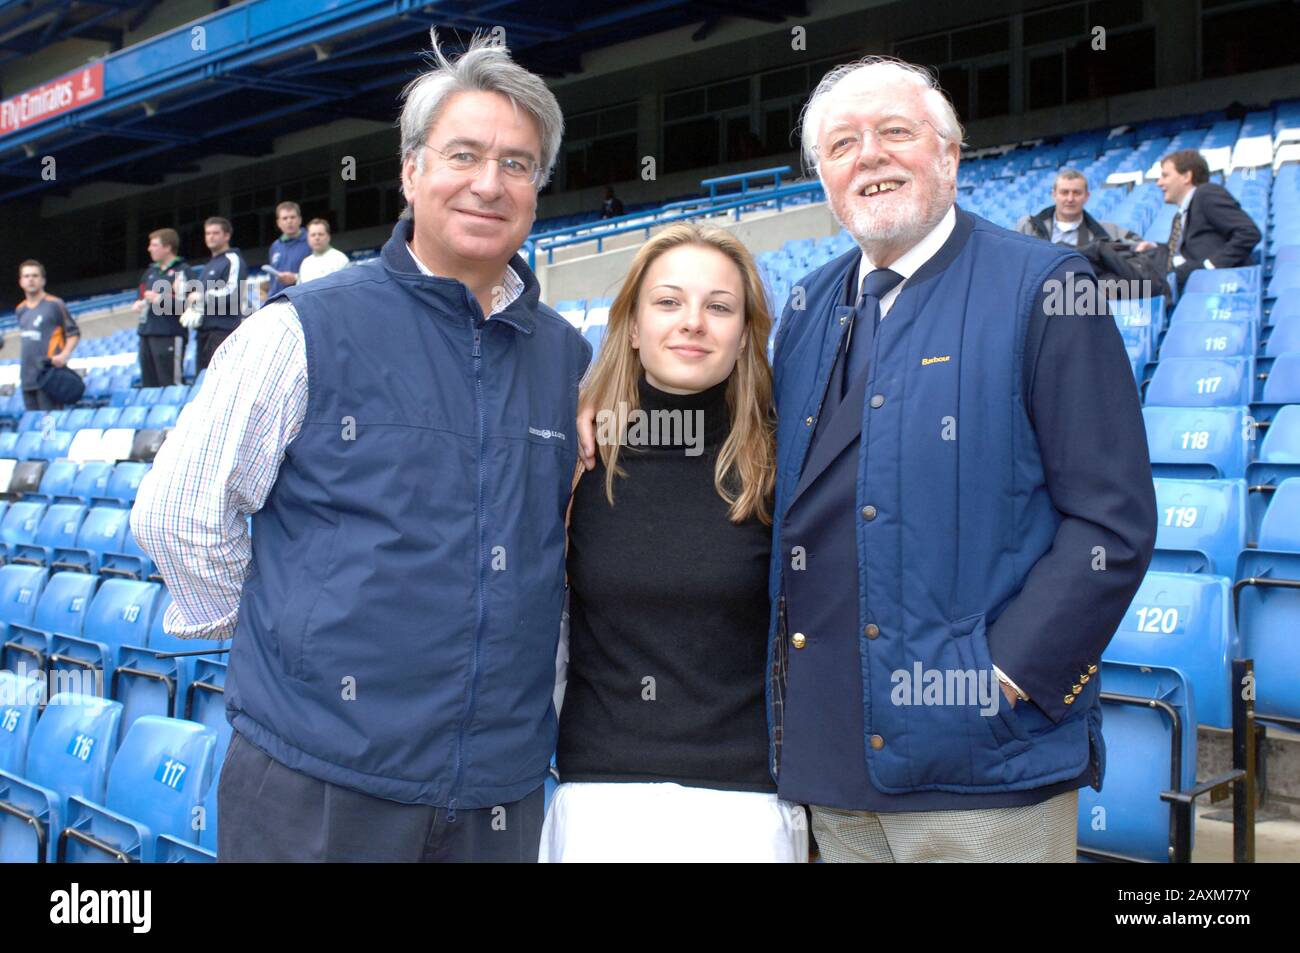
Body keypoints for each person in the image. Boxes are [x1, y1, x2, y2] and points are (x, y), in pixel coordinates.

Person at [584, 57, 1156, 862]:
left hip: (980, 768)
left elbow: (1114, 519)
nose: (871, 156)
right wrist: (601, 407)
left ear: (950, 155)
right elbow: (732, 426)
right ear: (823, 178)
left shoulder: (1045, 286)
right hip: (832, 765)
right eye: (844, 144)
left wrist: (1003, 677)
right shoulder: (812, 304)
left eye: (895, 132)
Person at [131, 31, 588, 863]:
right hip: (319, 786)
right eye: (464, 155)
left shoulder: (568, 356)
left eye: (518, 164)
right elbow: (178, 513)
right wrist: (295, 643)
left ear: (538, 187)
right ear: (411, 170)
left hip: (500, 791)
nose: (490, 183)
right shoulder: (302, 328)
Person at [542, 223, 806, 863]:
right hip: (597, 804)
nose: (693, 322)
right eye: (668, 302)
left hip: (748, 810)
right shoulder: (573, 455)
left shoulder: (788, 462)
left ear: (745, 334)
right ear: (631, 326)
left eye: (719, 307)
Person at [1133, 149, 1261, 289]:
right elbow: (1186, 249)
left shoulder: (1206, 193)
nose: (1159, 183)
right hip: (1187, 282)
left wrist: (1210, 266)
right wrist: (1157, 247)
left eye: (1165, 176)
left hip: (1217, 284)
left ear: (1187, 176)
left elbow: (1249, 233)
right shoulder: (1180, 215)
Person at [183, 217, 248, 371]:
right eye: (208, 233)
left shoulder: (232, 260)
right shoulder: (209, 265)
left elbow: (233, 293)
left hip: (222, 332)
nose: (211, 237)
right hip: (204, 331)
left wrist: (202, 297)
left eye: (215, 233)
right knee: (203, 383)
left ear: (226, 236)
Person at [1016, 169, 1142, 247]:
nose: (1070, 199)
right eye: (1064, 192)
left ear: (1087, 196)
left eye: (1076, 193)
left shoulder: (1105, 231)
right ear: (1054, 195)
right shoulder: (1028, 226)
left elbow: (1137, 245)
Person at [15, 259, 79, 410]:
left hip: (49, 377)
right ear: (21, 281)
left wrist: (64, 355)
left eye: (35, 275)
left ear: (43, 280)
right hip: (27, 378)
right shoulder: (20, 309)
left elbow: (73, 333)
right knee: (32, 430)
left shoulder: (55, 304)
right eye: (26, 276)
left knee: (48, 430)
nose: (31, 279)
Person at [131, 228, 187, 387]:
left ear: (168, 247)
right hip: (146, 334)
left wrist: (160, 299)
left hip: (169, 334)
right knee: (149, 385)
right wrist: (138, 304)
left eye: (154, 245)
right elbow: (140, 295)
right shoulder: (150, 272)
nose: (149, 249)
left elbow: (187, 306)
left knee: (170, 384)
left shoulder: (182, 271)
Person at [263, 201, 311, 297]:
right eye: (285, 218)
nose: (289, 221)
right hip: (277, 300)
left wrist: (295, 278)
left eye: (292, 217)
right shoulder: (275, 246)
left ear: (300, 220)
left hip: (301, 299)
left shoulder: (311, 240)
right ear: (278, 223)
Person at [297, 218, 350, 284]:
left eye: (320, 234)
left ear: (328, 237)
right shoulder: (305, 263)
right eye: (313, 235)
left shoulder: (340, 259)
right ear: (308, 238)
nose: (317, 238)